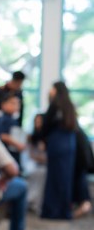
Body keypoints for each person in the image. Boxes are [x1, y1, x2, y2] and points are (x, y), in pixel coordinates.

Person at [40, 81, 78, 220]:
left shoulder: (55, 105)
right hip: (69, 145)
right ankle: (64, 212)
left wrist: (41, 139)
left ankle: (51, 212)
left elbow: (45, 125)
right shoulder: (70, 106)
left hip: (57, 144)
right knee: (65, 180)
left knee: (54, 179)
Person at [0, 93, 26, 167]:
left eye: (17, 103)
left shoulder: (13, 119)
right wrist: (18, 144)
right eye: (12, 103)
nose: (16, 106)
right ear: (3, 105)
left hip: (14, 153)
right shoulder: (5, 119)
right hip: (8, 153)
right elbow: (3, 136)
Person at [26, 114, 47, 214]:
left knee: (42, 173)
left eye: (40, 122)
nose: (38, 124)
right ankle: (30, 200)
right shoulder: (32, 137)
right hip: (33, 163)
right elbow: (30, 154)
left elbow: (45, 158)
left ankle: (35, 203)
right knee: (33, 172)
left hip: (43, 165)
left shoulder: (47, 137)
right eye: (36, 122)